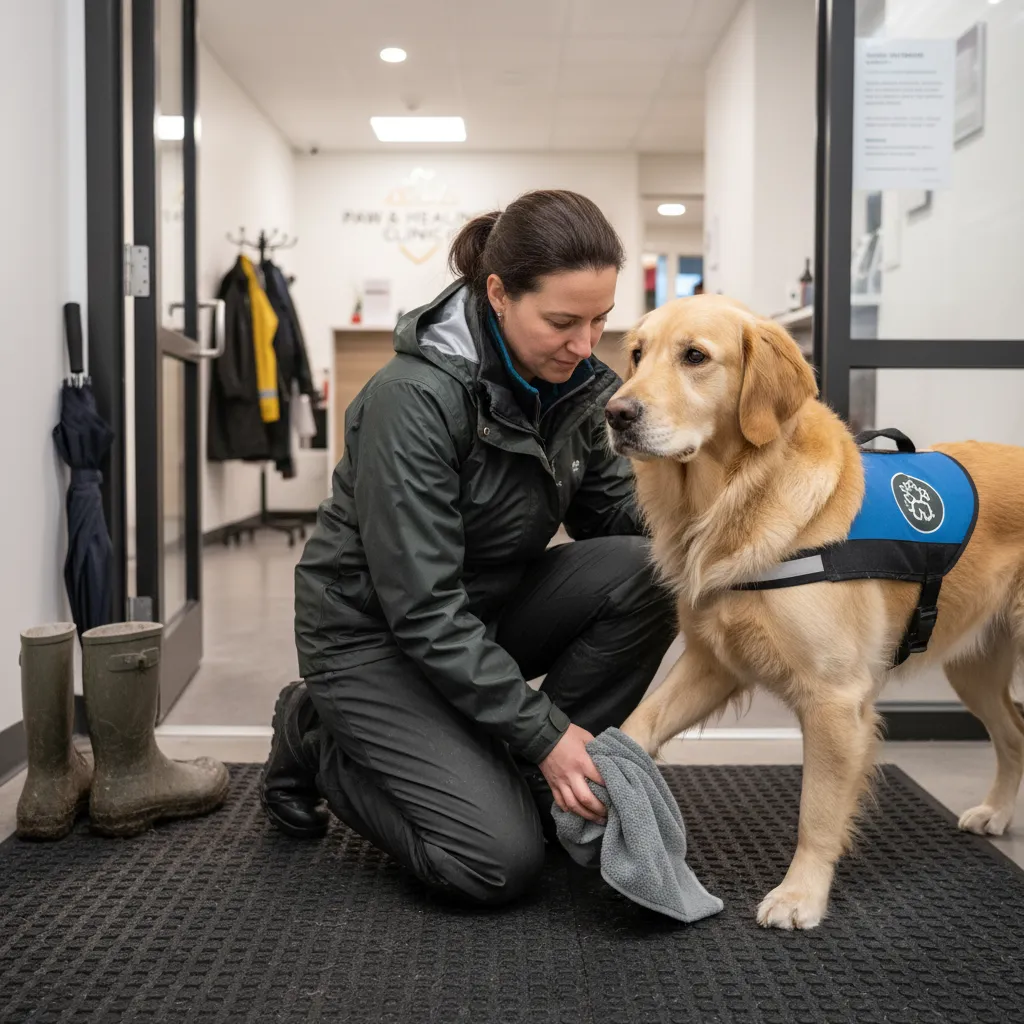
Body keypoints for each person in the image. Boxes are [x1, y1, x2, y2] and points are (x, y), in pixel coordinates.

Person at [260, 189, 676, 906]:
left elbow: (621, 516)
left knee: (651, 572)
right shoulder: (413, 400)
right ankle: (315, 732)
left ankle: (517, 777)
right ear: (498, 294)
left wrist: (729, 539)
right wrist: (545, 733)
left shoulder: (569, 385)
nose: (585, 345)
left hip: (480, 612)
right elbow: (421, 610)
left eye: (602, 320)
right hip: (372, 637)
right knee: (495, 863)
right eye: (562, 321)